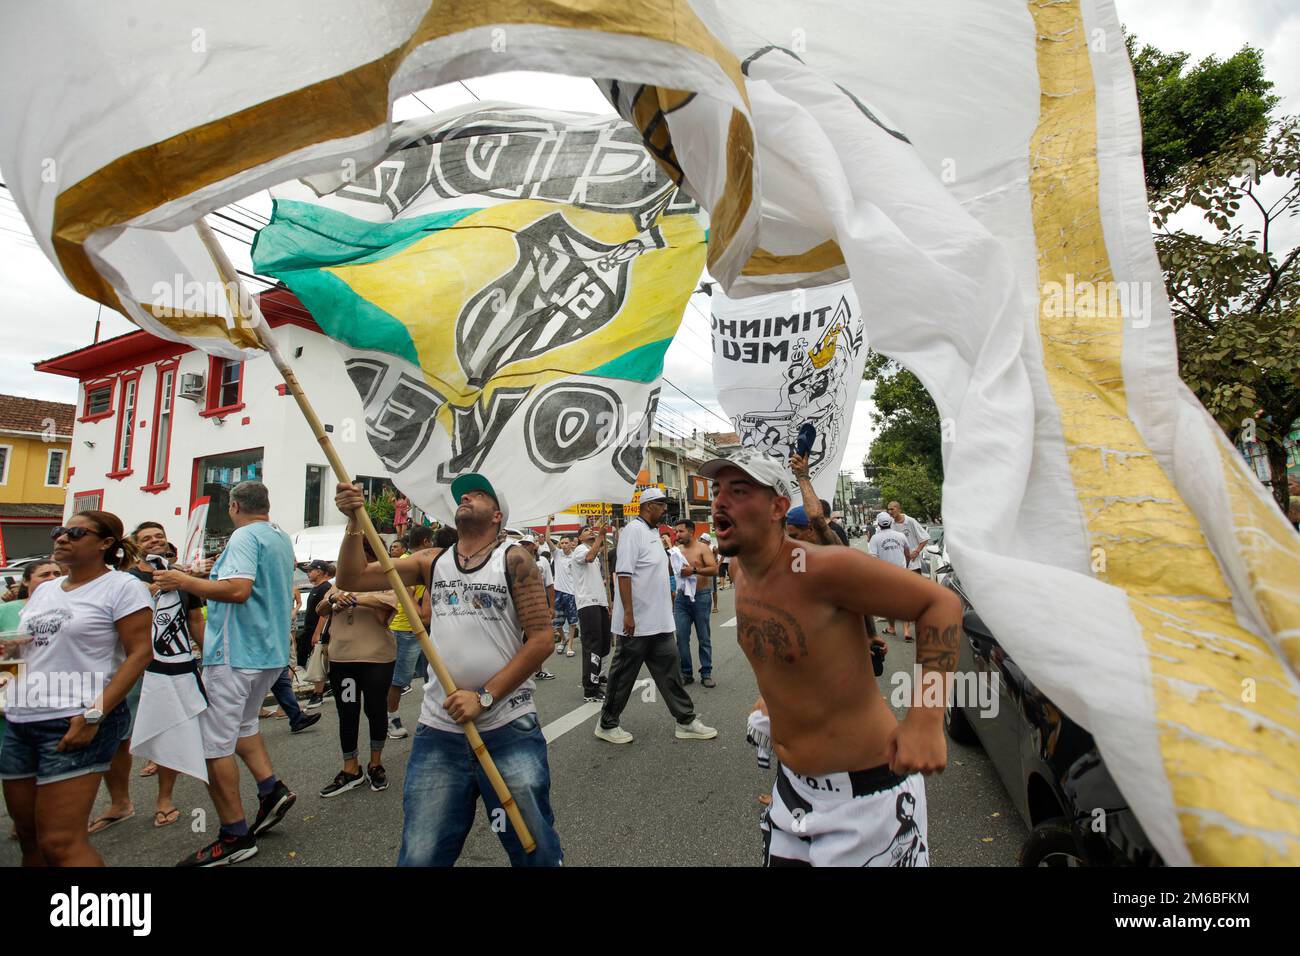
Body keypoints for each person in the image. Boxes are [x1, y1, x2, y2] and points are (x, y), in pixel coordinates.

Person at [702, 449, 960, 866]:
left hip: (868, 798)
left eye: (739, 490)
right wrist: (772, 697)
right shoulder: (739, 573)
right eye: (717, 491)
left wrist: (926, 719)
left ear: (777, 508)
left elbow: (941, 606)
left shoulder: (823, 569)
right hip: (793, 794)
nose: (719, 501)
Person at [334, 473, 563, 866]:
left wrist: (484, 697)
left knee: (534, 847)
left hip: (507, 726)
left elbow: (542, 640)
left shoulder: (513, 558)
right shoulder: (430, 561)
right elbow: (351, 578)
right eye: (463, 495)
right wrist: (355, 522)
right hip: (439, 731)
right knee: (421, 854)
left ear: (496, 515)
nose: (466, 497)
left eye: (478, 494)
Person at [154, 481, 301, 866]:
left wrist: (181, 581)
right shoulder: (279, 536)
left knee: (214, 744)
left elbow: (238, 590)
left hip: (237, 652)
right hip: (268, 652)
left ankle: (234, 834)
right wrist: (198, 576)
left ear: (234, 506)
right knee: (243, 726)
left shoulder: (243, 537)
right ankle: (271, 790)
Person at [0, 512, 152, 865]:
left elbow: (140, 653)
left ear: (105, 544)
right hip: (21, 718)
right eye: (59, 531)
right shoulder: (46, 590)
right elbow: (32, 645)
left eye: (75, 532)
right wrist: (11, 653)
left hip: (76, 718)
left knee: (60, 843)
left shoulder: (123, 587)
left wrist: (94, 714)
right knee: (29, 837)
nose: (62, 537)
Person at [595, 488, 716, 745]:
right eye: (662, 505)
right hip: (636, 623)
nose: (666, 509)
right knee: (622, 676)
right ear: (649, 505)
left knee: (670, 673)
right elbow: (624, 574)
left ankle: (685, 720)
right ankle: (607, 724)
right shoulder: (632, 532)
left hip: (659, 622)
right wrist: (628, 613)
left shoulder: (654, 534)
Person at [126, 522, 210, 828]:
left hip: (172, 666)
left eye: (159, 536)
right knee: (121, 735)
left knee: (170, 727)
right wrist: (155, 588)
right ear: (136, 546)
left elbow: (195, 621)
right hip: (134, 667)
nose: (154, 541)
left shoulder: (180, 577)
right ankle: (120, 801)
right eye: (147, 538)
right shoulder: (126, 579)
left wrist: (210, 655)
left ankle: (164, 798)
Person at [318, 537, 398, 797]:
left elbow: (389, 606)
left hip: (377, 659)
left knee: (375, 710)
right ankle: (351, 767)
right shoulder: (340, 581)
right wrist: (334, 601)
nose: (359, 558)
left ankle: (376, 763)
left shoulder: (387, 577)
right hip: (342, 660)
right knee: (347, 712)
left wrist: (357, 600)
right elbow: (321, 608)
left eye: (365, 552)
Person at [386, 525, 436, 739]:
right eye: (432, 542)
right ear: (426, 542)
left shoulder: (411, 560)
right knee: (399, 679)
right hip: (406, 627)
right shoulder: (411, 563)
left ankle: (432, 718)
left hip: (420, 628)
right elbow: (408, 596)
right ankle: (391, 719)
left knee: (431, 676)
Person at [672, 519, 718, 687]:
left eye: (680, 531)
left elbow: (714, 569)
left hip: (701, 596)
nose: (677, 535)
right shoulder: (676, 551)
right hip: (681, 598)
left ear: (691, 532)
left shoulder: (703, 548)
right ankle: (686, 672)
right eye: (676, 531)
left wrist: (693, 570)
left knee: (703, 637)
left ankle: (706, 672)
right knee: (681, 637)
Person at [570, 525, 611, 702]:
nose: (591, 532)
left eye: (591, 530)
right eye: (586, 531)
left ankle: (597, 677)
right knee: (593, 645)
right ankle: (590, 690)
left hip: (599, 603)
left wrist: (607, 604)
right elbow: (589, 556)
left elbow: (596, 554)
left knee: (604, 645)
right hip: (587, 604)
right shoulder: (580, 550)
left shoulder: (594, 552)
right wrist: (600, 537)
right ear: (579, 538)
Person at [519, 535, 558, 683]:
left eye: (526, 544)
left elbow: (549, 585)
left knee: (537, 639)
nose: (523, 546)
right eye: (521, 544)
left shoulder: (543, 562)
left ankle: (539, 670)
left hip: (538, 606)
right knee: (519, 639)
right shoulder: (514, 561)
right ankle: (519, 672)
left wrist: (551, 607)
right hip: (520, 606)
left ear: (533, 546)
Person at [868, 513, 912, 639]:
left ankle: (892, 628)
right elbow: (907, 554)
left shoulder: (875, 539)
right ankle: (906, 631)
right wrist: (906, 566)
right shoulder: (901, 536)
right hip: (902, 573)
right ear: (891, 522)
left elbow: (873, 559)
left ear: (879, 524)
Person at [0, 560, 62, 633]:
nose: (53, 578)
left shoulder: (71, 605)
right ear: (26, 581)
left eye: (57, 574)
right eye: (45, 575)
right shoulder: (5, 610)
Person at [551, 535, 579, 657]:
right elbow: (547, 540)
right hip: (558, 592)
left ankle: (570, 646)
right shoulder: (557, 554)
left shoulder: (575, 556)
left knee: (572, 622)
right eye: (561, 543)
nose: (564, 545)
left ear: (571, 543)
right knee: (557, 622)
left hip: (571, 593)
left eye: (566, 543)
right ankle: (563, 639)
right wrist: (548, 523)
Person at [887, 501, 930, 576]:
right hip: (897, 566)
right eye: (888, 510)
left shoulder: (910, 521)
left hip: (913, 565)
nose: (890, 512)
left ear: (899, 509)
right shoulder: (890, 524)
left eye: (892, 509)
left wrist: (916, 552)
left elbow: (925, 538)